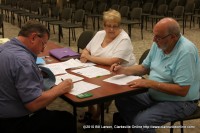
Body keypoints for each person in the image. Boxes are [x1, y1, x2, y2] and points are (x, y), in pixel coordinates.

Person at [111, 17, 200, 133]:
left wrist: (150, 83)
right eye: (154, 35)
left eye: (158, 37)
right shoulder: (159, 44)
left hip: (181, 102)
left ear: (173, 37)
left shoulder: (186, 52)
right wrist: (123, 70)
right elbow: (144, 68)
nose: (153, 40)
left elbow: (182, 90)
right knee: (121, 98)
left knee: (142, 123)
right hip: (156, 95)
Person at [0, 20, 75, 133]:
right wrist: (60, 88)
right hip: (13, 122)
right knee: (67, 119)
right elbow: (33, 104)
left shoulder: (6, 47)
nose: (43, 50)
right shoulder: (23, 61)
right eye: (43, 44)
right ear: (34, 37)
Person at [80, 9, 137, 125]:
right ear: (104, 25)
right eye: (108, 26)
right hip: (97, 68)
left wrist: (89, 57)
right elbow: (86, 49)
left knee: (104, 89)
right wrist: (85, 54)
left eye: (115, 26)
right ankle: (91, 110)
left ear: (119, 26)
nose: (111, 29)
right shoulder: (100, 34)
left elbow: (113, 61)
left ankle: (96, 116)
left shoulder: (124, 39)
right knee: (84, 80)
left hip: (120, 73)